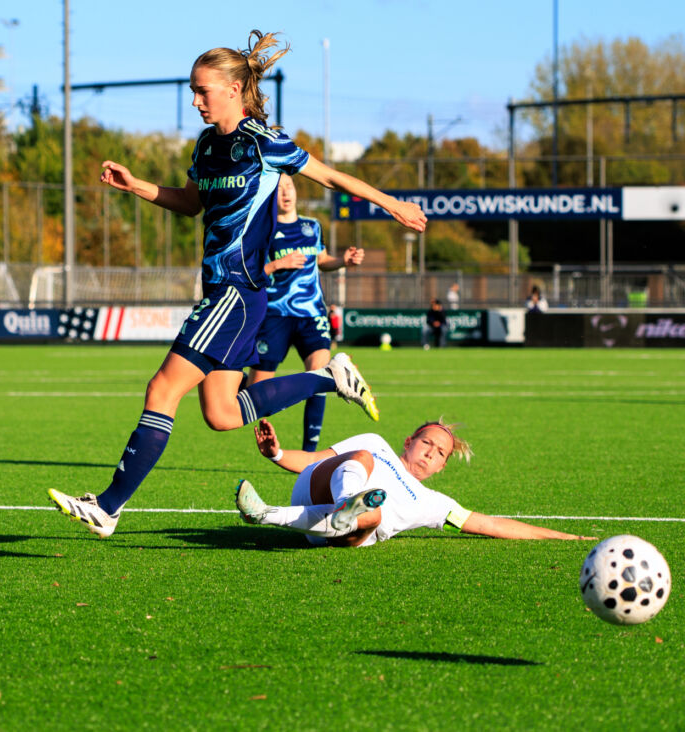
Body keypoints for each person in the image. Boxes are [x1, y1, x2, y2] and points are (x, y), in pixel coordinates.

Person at [47, 30, 426, 539]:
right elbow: (190, 203)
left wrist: (393, 204)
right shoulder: (206, 145)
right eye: (192, 91)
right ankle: (329, 378)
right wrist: (136, 185)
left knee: (162, 388)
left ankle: (109, 507)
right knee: (223, 413)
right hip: (223, 294)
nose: (195, 101)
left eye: (202, 90)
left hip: (236, 291)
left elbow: (332, 177)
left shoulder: (264, 142)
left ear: (233, 89)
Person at [235, 418, 595, 547]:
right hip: (316, 488)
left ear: (442, 467)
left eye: (440, 453)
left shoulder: (434, 502)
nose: (430, 453)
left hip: (344, 536)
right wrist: (276, 454)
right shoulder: (376, 444)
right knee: (362, 458)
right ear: (409, 442)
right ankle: (347, 504)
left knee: (374, 515)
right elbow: (316, 460)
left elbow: (489, 524)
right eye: (427, 443)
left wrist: (567, 538)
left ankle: (264, 514)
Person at [246, 174, 364, 452]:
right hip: (275, 315)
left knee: (319, 374)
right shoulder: (262, 228)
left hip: (312, 314)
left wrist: (343, 261)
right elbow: (251, 272)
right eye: (279, 188)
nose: (286, 192)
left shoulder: (313, 226)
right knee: (256, 396)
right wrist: (278, 264)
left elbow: (322, 260)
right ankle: (243, 386)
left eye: (289, 186)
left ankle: (309, 454)